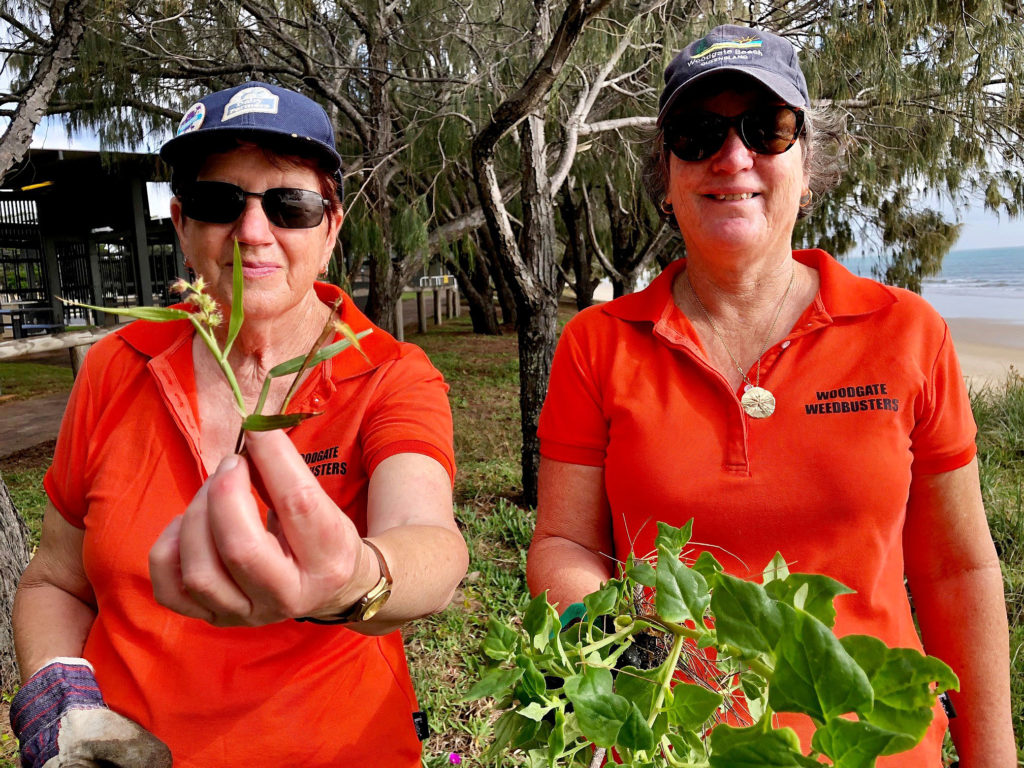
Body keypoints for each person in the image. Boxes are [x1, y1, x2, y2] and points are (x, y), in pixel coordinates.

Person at [527, 25, 1014, 765]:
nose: (733, 157)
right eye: (698, 134)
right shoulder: (598, 344)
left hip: (874, 746)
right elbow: (564, 543)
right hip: (671, 748)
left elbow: (957, 570)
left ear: (807, 164)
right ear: (665, 172)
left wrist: (993, 755)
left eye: (767, 129)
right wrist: (614, 632)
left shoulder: (907, 332)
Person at [11, 82, 468, 768]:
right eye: (219, 203)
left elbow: (431, 544)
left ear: (331, 228)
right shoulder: (114, 367)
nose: (253, 232)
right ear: (181, 226)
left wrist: (355, 578)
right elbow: (53, 579)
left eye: (291, 205)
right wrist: (58, 696)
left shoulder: (387, 372)